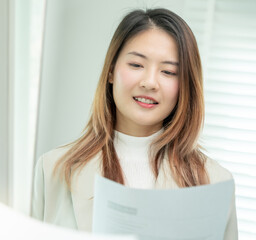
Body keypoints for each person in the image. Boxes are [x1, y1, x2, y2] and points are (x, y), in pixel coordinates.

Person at [31, 8, 238, 239]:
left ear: (185, 87)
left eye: (168, 72)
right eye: (136, 65)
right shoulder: (53, 169)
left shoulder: (214, 183)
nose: (150, 82)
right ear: (111, 71)